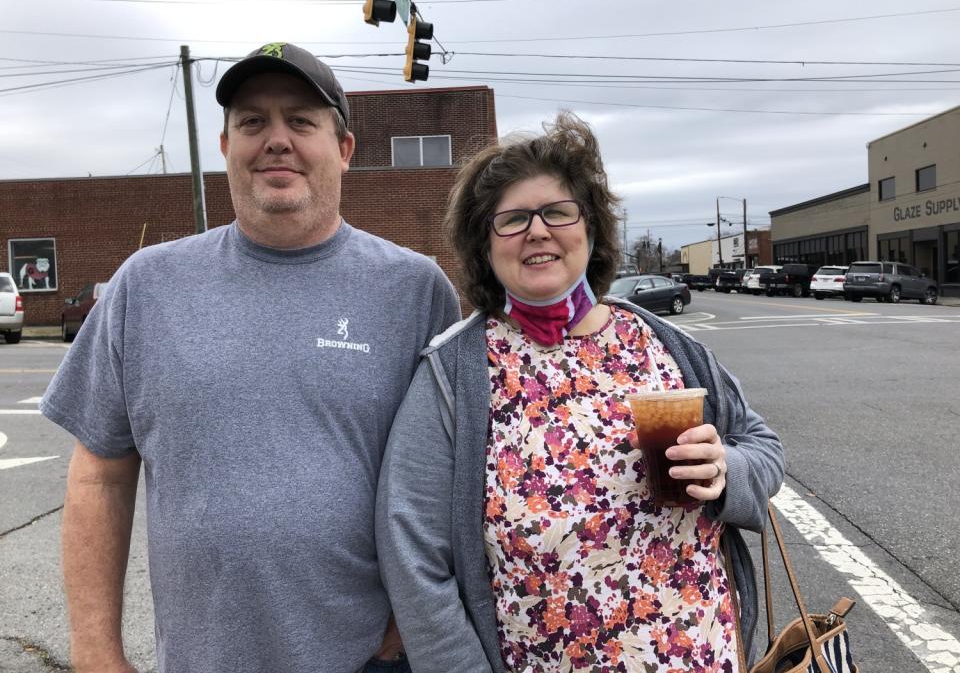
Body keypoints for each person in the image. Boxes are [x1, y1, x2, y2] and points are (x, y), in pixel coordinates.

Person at [41, 42, 461, 673]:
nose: (276, 140)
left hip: (369, 660)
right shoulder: (146, 286)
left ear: (344, 149)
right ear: (225, 147)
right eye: (252, 122)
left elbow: (450, 482)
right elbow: (100, 475)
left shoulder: (415, 290)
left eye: (301, 120)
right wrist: (96, 652)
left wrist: (406, 624)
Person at [376, 112, 784, 673]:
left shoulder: (666, 344)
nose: (537, 231)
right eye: (512, 219)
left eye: (557, 212)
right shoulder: (453, 373)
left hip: (703, 654)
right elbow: (414, 558)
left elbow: (763, 446)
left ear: (589, 230)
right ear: (484, 246)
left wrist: (726, 472)